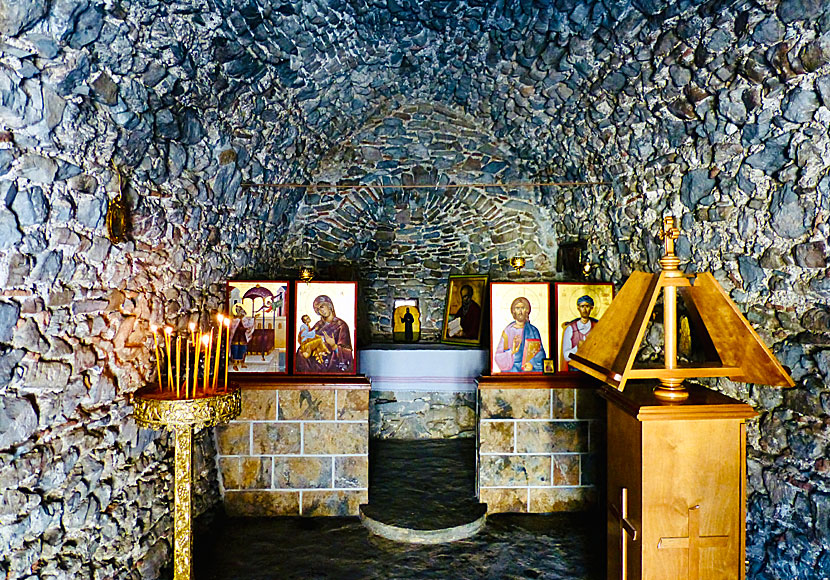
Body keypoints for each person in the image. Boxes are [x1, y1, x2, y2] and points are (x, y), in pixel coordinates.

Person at [295, 295, 354, 373]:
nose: (321, 311)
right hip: (315, 362)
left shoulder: (341, 325)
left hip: (332, 364)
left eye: (322, 306)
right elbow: (309, 339)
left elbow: (347, 353)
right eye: (317, 309)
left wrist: (334, 346)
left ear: (329, 306)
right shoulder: (318, 325)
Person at [494, 297, 546, 372]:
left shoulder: (533, 331)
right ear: (513, 311)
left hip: (528, 370)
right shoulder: (507, 332)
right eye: (517, 308)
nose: (520, 311)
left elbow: (540, 353)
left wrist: (532, 364)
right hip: (511, 369)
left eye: (523, 308)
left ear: (527, 311)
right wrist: (512, 352)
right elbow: (498, 356)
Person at [562, 295, 599, 372]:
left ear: (591, 308)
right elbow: (566, 356)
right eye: (582, 306)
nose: (584, 310)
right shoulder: (571, 328)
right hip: (575, 371)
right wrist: (577, 348)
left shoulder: (597, 327)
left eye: (587, 306)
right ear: (578, 308)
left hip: (593, 370)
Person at [229, 303, 255, 371]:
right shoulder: (234, 320)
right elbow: (232, 328)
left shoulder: (244, 319)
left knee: (243, 350)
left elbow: (248, 325)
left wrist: (253, 319)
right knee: (235, 350)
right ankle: (235, 364)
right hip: (235, 337)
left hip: (243, 337)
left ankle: (242, 363)